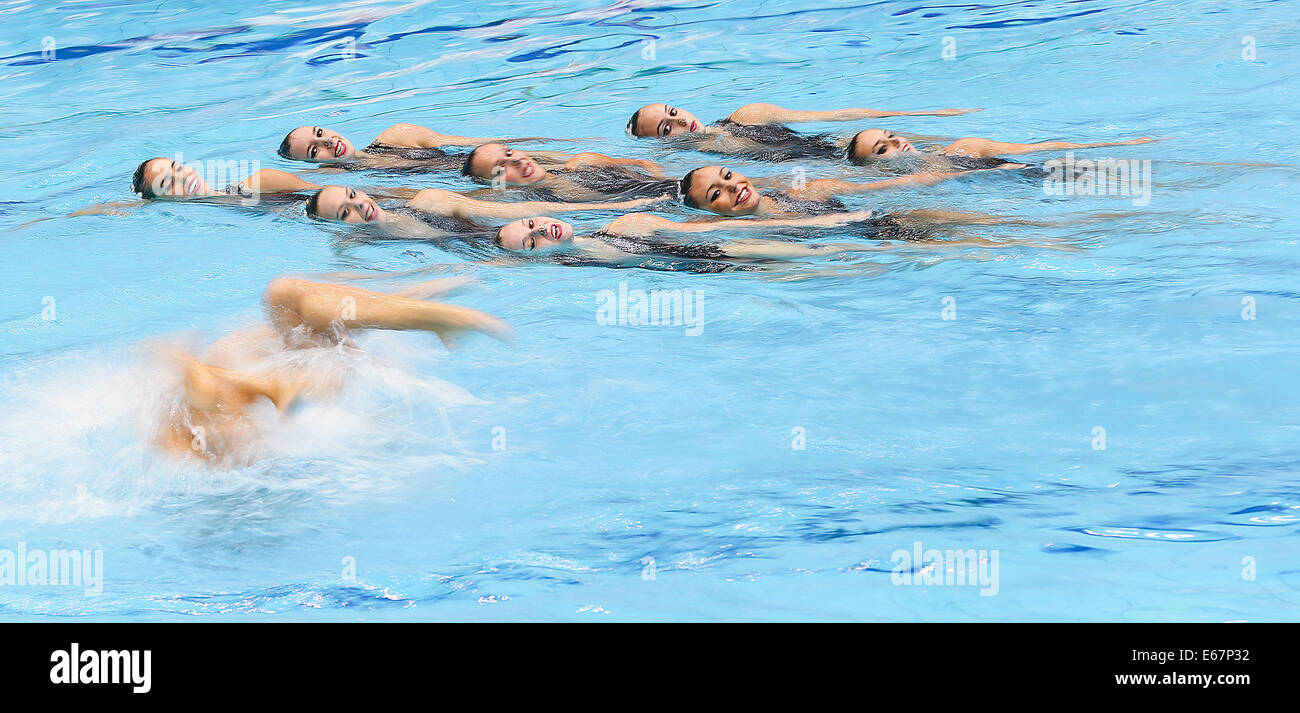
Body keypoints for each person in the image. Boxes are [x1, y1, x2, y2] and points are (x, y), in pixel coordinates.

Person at [158, 275, 509, 465]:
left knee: (284, 303)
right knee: (281, 294)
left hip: (288, 388)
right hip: (299, 390)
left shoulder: (221, 372)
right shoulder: (215, 402)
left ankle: (423, 310)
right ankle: (435, 318)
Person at [625, 101, 980, 161]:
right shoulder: (702, 170)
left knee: (955, 154)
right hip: (839, 174)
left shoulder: (749, 115)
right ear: (660, 145)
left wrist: (923, 112)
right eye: (666, 128)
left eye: (673, 112)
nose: (683, 122)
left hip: (839, 149)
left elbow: (837, 115)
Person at [303, 184, 668, 238]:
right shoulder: (355, 247)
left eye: (352, 195)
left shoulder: (429, 202)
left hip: (517, 239)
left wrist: (619, 205)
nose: (360, 206)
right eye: (345, 213)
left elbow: (527, 207)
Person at [276, 123, 568, 171]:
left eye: (320, 132)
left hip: (512, 169)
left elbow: (480, 145)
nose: (328, 141)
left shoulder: (399, 136)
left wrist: (560, 149)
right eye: (315, 150)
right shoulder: (347, 188)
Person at [845, 128, 1157, 170]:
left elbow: (1041, 147)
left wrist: (1118, 143)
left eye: (891, 135)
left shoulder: (965, 147)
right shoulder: (905, 188)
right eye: (882, 150)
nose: (897, 142)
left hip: (1038, 175)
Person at [459, 143, 673, 200]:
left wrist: (659, 179)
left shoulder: (586, 162)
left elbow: (645, 164)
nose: (515, 160)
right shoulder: (541, 209)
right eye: (501, 168)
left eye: (508, 152)